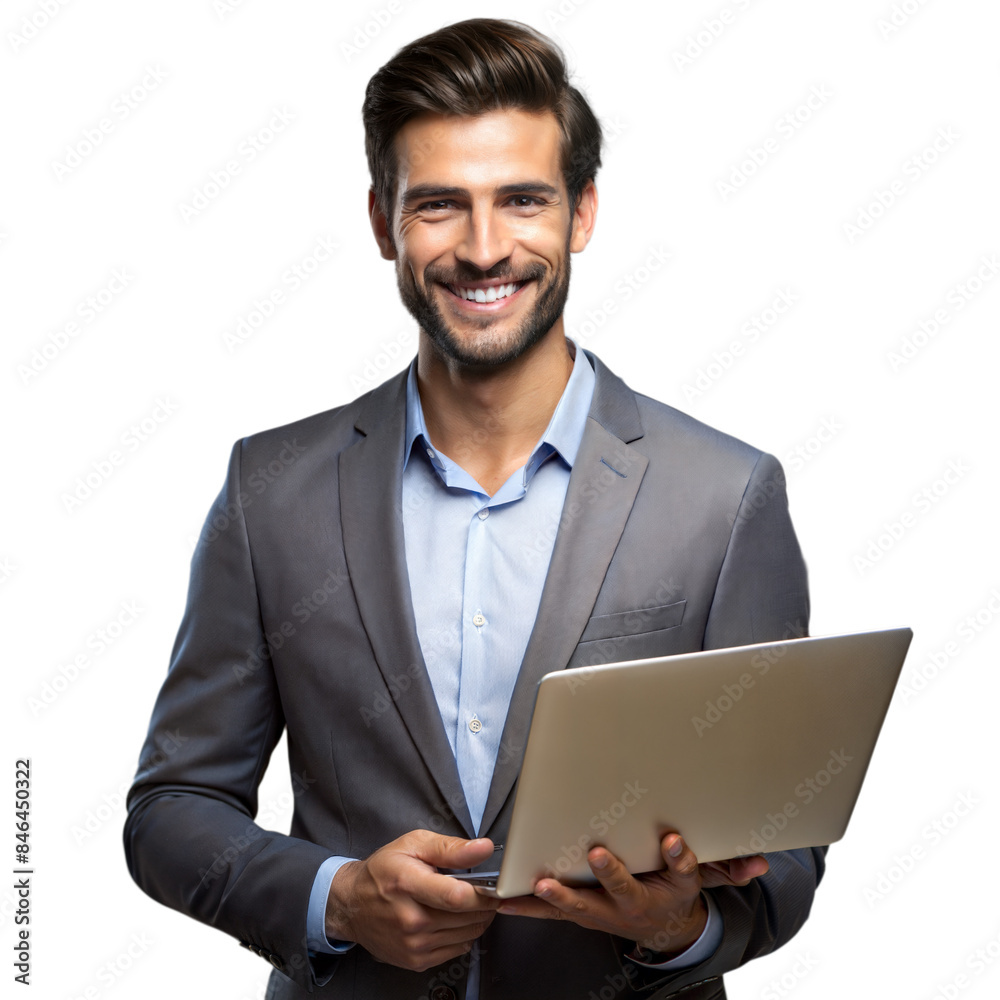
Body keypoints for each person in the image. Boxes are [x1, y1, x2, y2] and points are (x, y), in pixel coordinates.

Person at [124, 18, 823, 1000]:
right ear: (382, 222)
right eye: (441, 205)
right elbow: (173, 807)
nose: (484, 248)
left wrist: (681, 926)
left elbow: (783, 841)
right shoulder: (270, 489)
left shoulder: (724, 493)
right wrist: (336, 896)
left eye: (523, 200)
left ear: (581, 213)